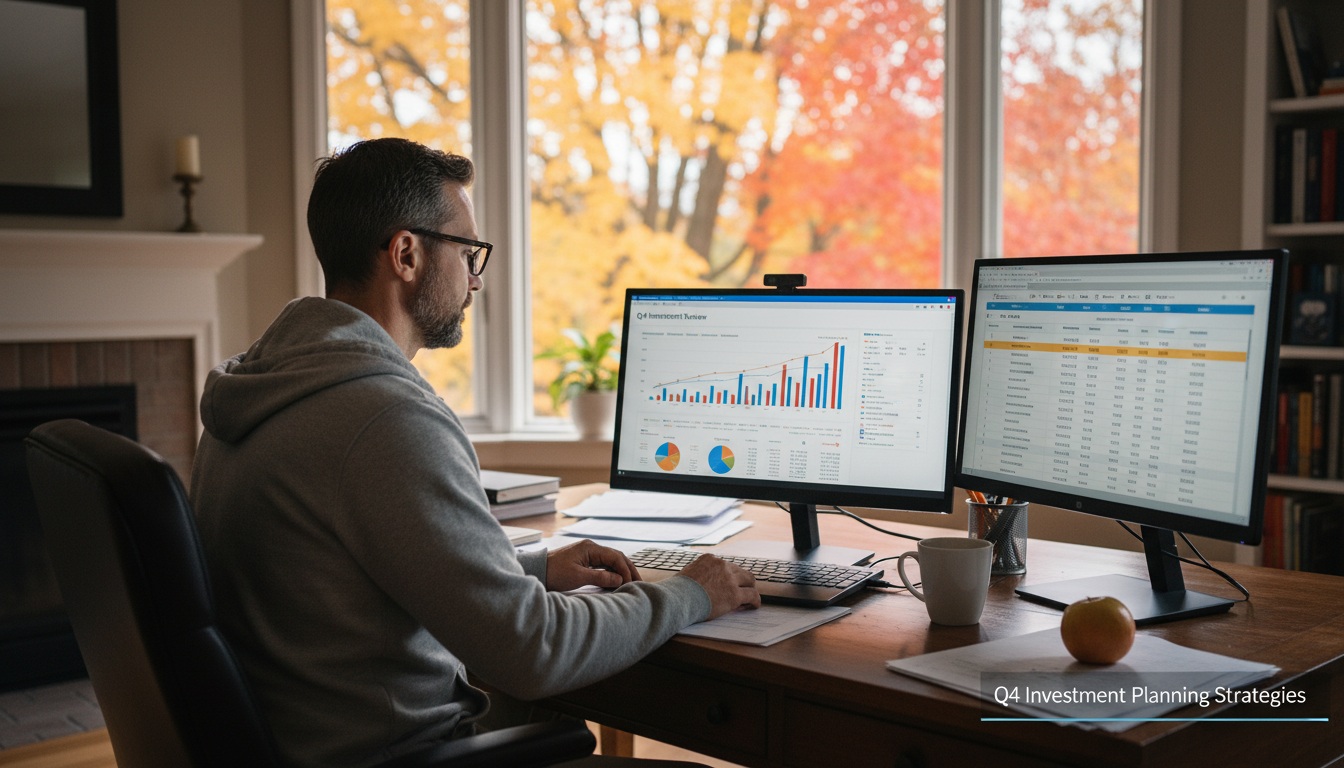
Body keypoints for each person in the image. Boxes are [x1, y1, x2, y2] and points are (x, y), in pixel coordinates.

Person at [189, 137, 760, 768]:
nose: (477, 279)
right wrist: (691, 593)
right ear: (406, 254)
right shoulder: (384, 419)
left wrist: (535, 570)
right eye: (469, 253)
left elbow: (349, 581)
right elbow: (534, 651)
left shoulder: (259, 390)